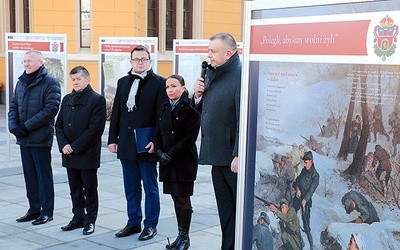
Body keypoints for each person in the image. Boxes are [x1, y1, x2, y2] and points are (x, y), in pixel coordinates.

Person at [107, 45, 168, 240]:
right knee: (131, 187)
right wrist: (112, 139)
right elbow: (116, 113)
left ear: (150, 61)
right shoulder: (123, 82)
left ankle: (150, 225)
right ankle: (133, 222)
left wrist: (156, 143)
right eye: (136, 59)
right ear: (131, 61)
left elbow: (162, 117)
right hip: (126, 143)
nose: (139, 62)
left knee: (150, 188)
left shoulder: (160, 83)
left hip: (146, 144)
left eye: (143, 59)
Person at [191, 32, 241, 250]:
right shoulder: (212, 74)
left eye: (213, 51)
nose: (208, 55)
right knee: (225, 211)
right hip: (216, 155)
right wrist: (198, 96)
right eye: (209, 50)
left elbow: (243, 119)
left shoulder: (240, 75)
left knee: (238, 211)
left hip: (232, 159)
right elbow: (203, 110)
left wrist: (238, 153)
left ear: (228, 53)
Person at [8, 50, 61, 225]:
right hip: (24, 138)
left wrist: (26, 126)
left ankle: (47, 211)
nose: (26, 64)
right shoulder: (21, 82)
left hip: (40, 137)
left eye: (29, 61)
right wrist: (13, 126)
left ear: (40, 62)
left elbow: (50, 110)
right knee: (29, 175)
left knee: (43, 175)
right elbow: (14, 105)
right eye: (24, 61)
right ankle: (33, 209)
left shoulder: (51, 83)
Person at [55, 66, 106, 235]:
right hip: (68, 152)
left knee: (89, 189)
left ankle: (90, 220)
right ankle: (77, 217)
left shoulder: (97, 100)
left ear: (88, 79)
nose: (76, 82)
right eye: (73, 79)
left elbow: (94, 130)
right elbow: (59, 124)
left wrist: (74, 147)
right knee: (74, 188)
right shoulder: (67, 98)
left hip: (86, 153)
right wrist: (64, 145)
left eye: (79, 79)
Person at [154, 75, 200, 250]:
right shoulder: (164, 107)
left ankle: (185, 238)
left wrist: (170, 154)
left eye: (174, 86)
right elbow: (157, 133)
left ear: (183, 88)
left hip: (183, 161)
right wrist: (159, 152)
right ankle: (180, 236)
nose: (170, 90)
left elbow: (190, 138)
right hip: (166, 161)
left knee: (183, 198)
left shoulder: (191, 109)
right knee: (175, 198)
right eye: (167, 87)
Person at [292, 151, 319, 250]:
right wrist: (298, 189)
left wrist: (304, 201)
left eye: (306, 162)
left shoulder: (315, 176)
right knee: (292, 213)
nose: (305, 164)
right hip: (298, 197)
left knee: (306, 221)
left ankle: (310, 243)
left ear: (311, 161)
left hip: (306, 201)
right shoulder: (304, 170)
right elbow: (297, 181)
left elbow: (311, 190)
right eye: (304, 162)